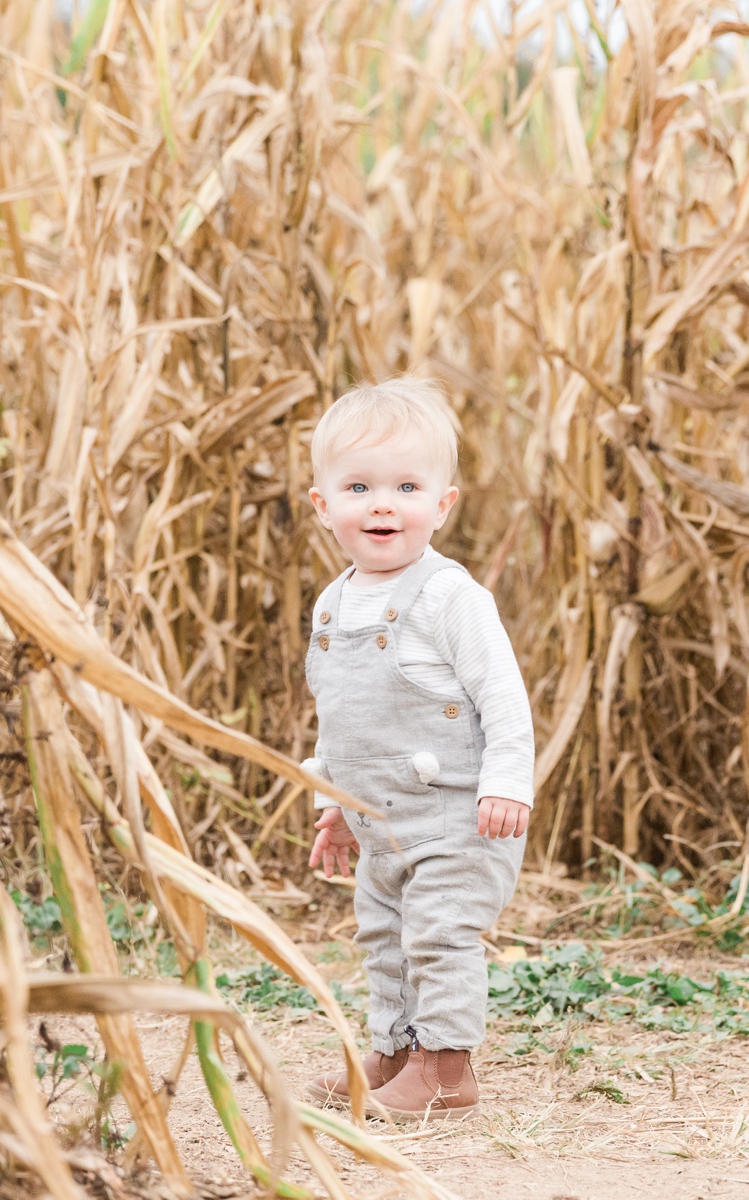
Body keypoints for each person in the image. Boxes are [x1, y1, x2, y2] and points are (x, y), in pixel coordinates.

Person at [298, 378, 533, 1122]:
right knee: (384, 934)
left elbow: (502, 693)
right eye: (358, 486)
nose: (381, 504)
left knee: (436, 933)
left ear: (443, 503)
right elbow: (339, 716)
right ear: (322, 504)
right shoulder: (334, 604)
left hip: (458, 815)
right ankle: (396, 1049)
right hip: (382, 822)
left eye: (406, 485)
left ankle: (446, 1065)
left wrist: (508, 783)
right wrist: (334, 804)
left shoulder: (448, 597)